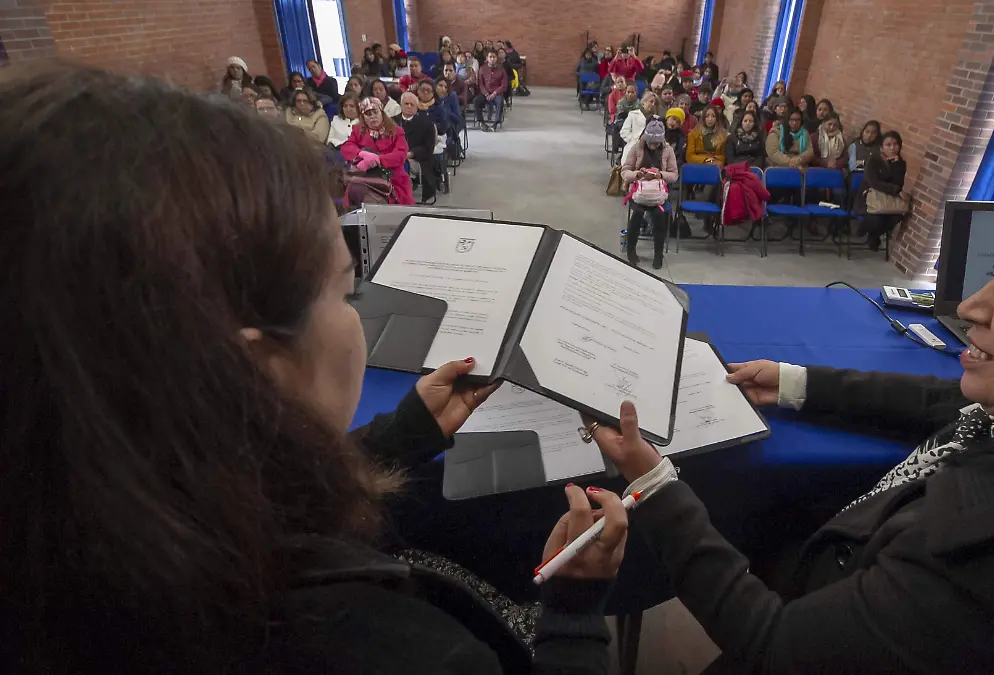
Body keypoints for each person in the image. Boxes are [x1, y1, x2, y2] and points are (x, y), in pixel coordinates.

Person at [2, 62, 623, 675]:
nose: (357, 312)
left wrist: (400, 436)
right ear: (249, 372)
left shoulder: (79, 540)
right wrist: (571, 615)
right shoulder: (392, 651)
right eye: (346, 291)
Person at [594, 140, 994, 674]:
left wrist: (654, 483)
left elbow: (778, 649)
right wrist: (796, 382)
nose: (971, 309)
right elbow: (941, 402)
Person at [620, 118, 678, 269]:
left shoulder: (668, 150)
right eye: (650, 142)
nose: (653, 146)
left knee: (659, 216)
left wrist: (661, 175)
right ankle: (631, 249)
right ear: (645, 138)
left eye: (656, 143)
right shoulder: (636, 148)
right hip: (639, 193)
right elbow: (625, 171)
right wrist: (637, 174)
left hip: (658, 194)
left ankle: (658, 253)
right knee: (637, 215)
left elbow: (674, 175)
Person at [339, 96, 414, 205]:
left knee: (371, 200)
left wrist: (377, 159)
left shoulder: (396, 131)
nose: (372, 117)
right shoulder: (358, 130)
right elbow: (347, 147)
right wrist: (361, 153)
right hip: (364, 177)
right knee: (354, 191)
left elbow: (401, 155)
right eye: (368, 114)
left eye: (375, 112)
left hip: (392, 178)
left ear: (381, 112)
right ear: (363, 117)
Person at [855, 130, 909, 251]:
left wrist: (895, 166)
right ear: (881, 147)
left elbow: (898, 182)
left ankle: (873, 235)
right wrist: (896, 190)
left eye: (895, 144)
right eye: (888, 145)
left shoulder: (900, 163)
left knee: (897, 216)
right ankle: (864, 230)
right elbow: (874, 182)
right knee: (877, 219)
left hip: (888, 199)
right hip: (869, 198)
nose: (892, 148)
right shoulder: (873, 160)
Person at [398, 92, 439, 205]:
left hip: (417, 159)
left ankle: (404, 197)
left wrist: (411, 153)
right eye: (406, 103)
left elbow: (428, 148)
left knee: (404, 166)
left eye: (412, 104)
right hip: (394, 156)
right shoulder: (391, 122)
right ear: (401, 105)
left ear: (417, 108)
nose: (409, 106)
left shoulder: (427, 124)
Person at [475, 50, 506, 131]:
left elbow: (503, 85)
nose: (492, 59)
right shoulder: (482, 68)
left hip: (496, 93)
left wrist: (494, 93)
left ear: (497, 58)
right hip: (485, 93)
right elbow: (480, 84)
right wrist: (486, 94)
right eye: (490, 57)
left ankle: (495, 123)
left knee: (500, 102)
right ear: (487, 58)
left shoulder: (501, 70)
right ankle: (482, 123)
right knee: (476, 101)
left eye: (494, 57)